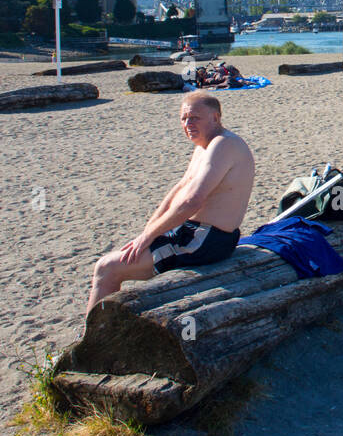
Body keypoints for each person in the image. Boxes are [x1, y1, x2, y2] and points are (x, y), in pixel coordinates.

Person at [85, 91, 255, 313]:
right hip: (192, 233)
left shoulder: (224, 144)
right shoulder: (203, 146)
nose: (187, 124)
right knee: (117, 261)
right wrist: (147, 232)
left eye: (195, 118)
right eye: (183, 119)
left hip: (206, 240)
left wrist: (147, 237)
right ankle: (100, 332)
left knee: (107, 268)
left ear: (215, 117)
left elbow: (192, 202)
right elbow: (179, 190)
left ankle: (93, 342)